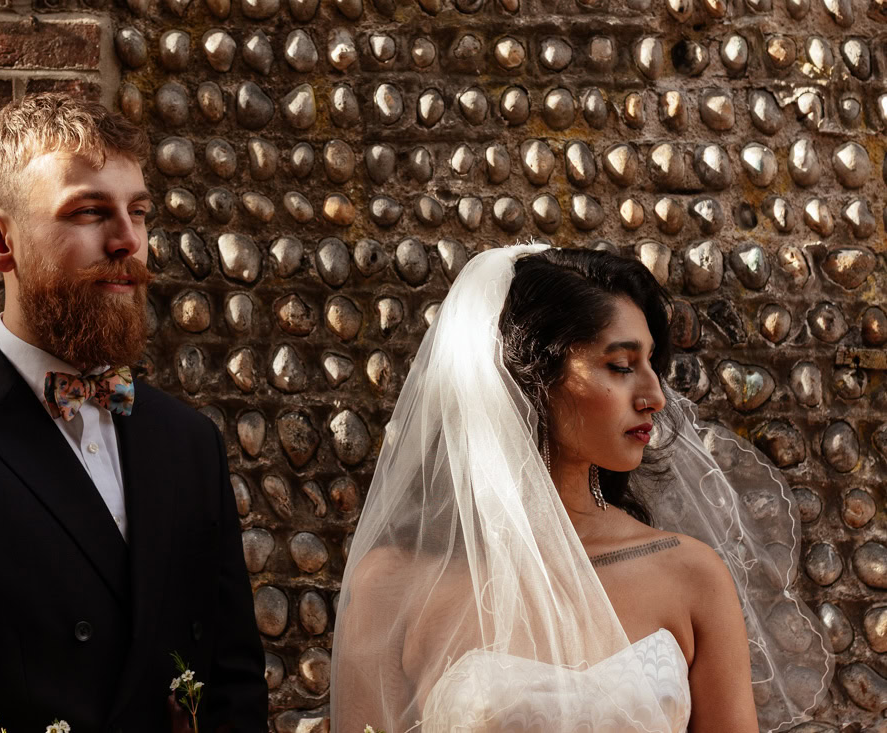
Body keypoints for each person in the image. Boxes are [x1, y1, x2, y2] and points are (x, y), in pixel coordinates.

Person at [0, 93, 268, 733]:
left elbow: (234, 694)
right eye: (89, 212)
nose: (126, 241)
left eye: (137, 212)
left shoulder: (188, 441)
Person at [331, 244, 832, 733]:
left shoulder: (692, 575)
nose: (655, 395)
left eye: (652, 363)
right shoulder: (392, 587)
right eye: (620, 366)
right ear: (529, 377)